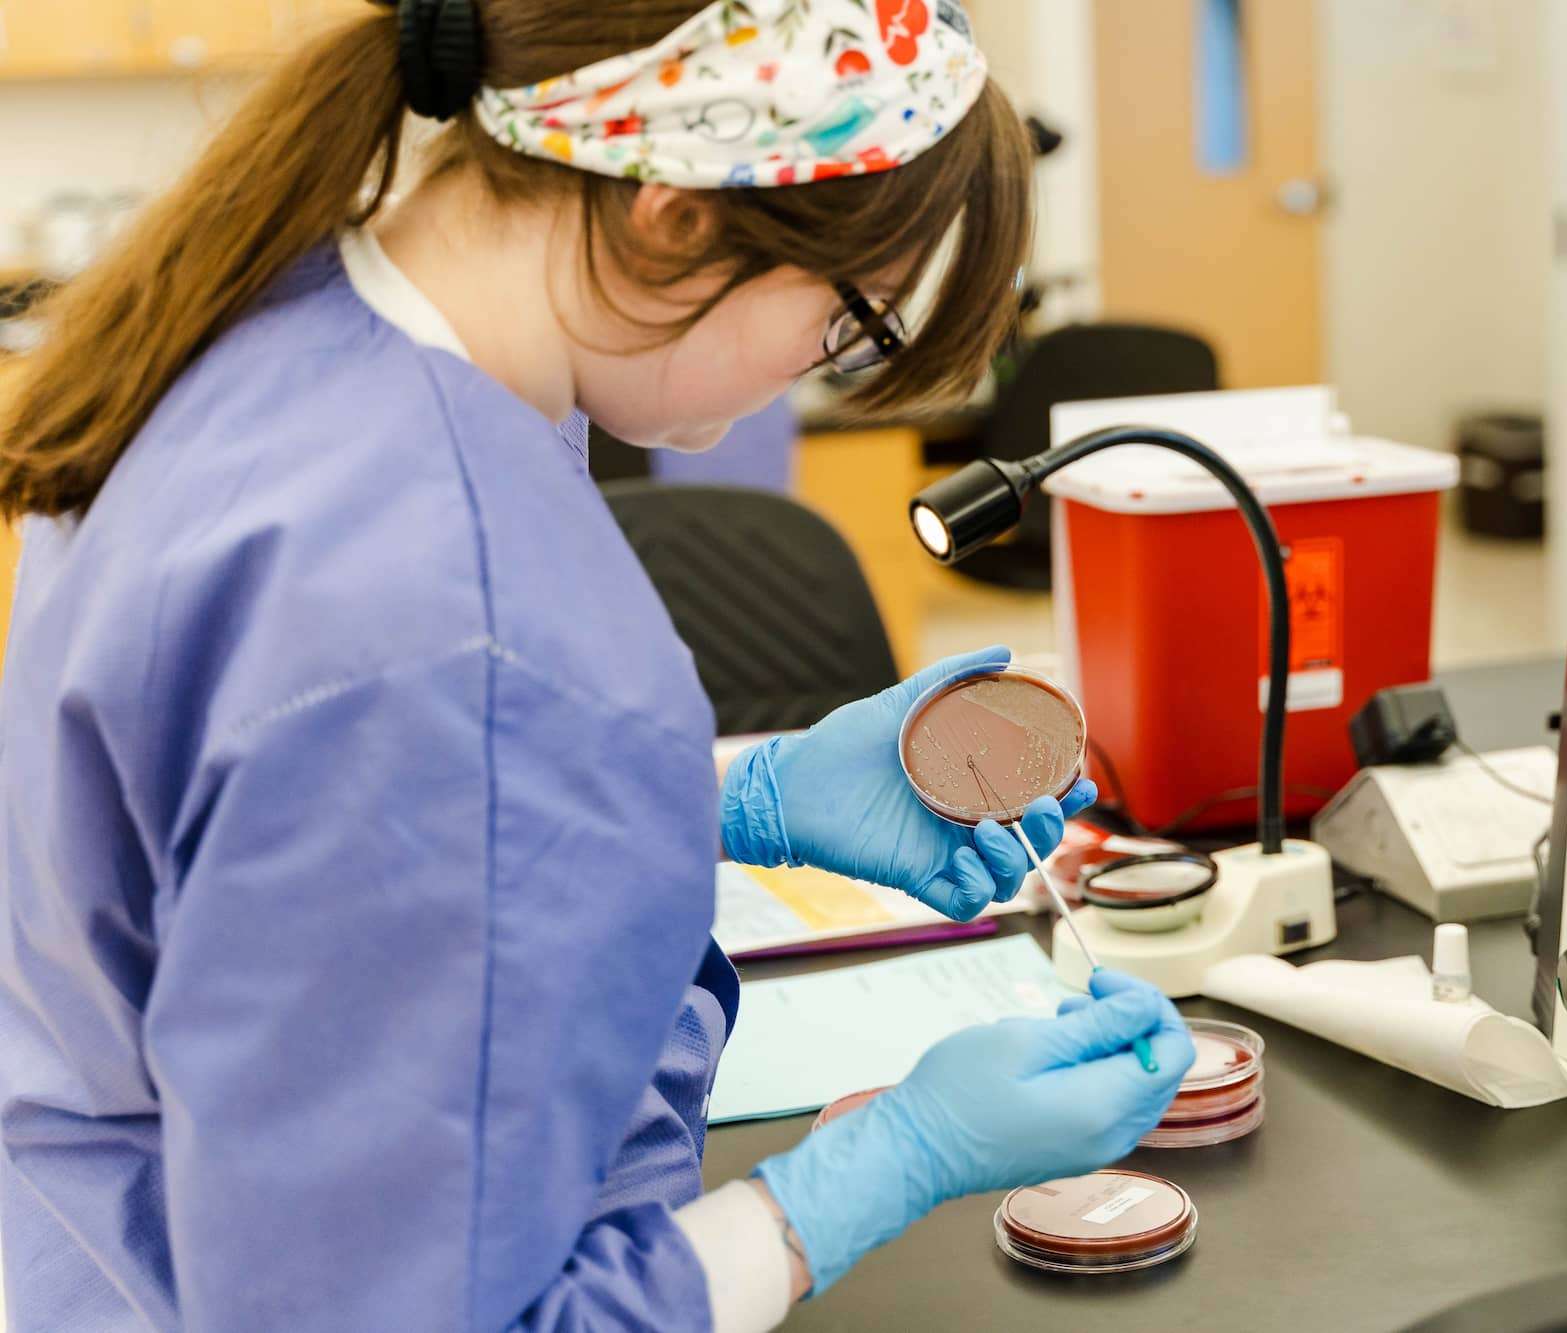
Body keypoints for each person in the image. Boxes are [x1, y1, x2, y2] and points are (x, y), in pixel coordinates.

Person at [0, 2, 1196, 1329]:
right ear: (673, 213)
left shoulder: (284, 331)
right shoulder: (449, 614)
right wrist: (874, 1170)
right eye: (850, 315)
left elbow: (307, 859)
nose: (824, 360)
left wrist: (740, 793)